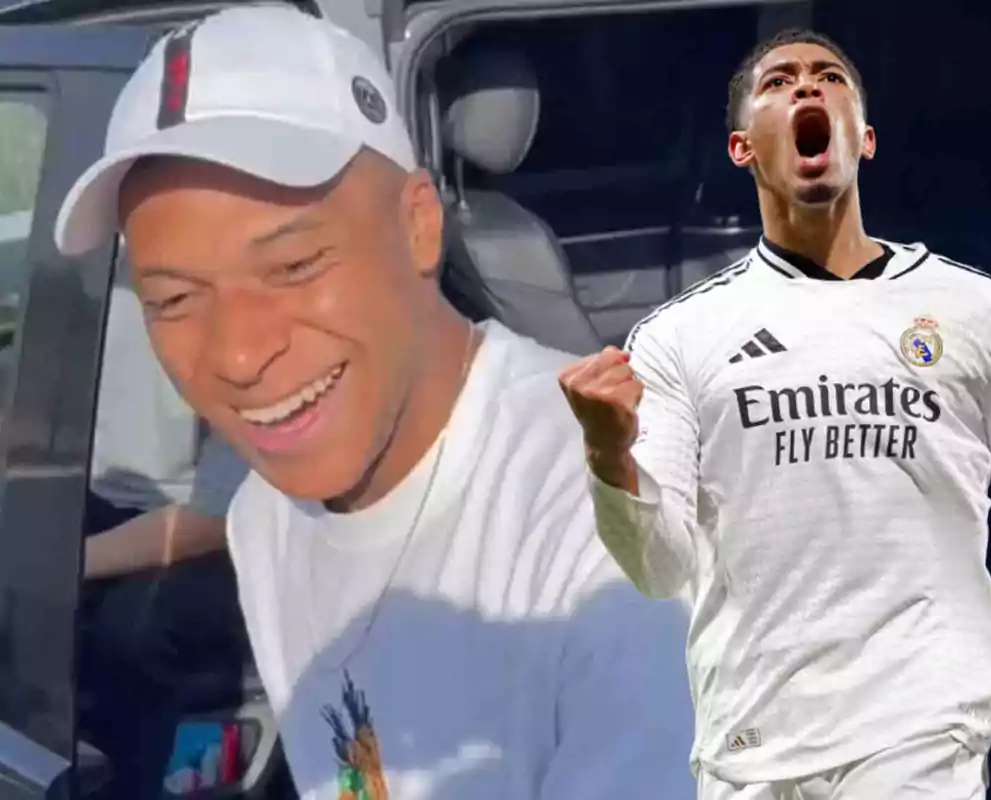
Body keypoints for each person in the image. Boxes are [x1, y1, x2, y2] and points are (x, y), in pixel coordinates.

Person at [55, 5, 694, 799]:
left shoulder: (620, 528)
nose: (241, 354)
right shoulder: (268, 520)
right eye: (177, 299)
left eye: (293, 265)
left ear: (420, 226)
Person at [558, 28, 991, 800]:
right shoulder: (678, 339)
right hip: (750, 751)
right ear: (743, 149)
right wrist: (609, 455)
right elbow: (660, 565)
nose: (806, 88)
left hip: (919, 735)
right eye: (780, 82)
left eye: (828, 77)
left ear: (862, 139)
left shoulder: (977, 313)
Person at [80, 260, 249, 799]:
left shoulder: (232, 301)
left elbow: (216, 518)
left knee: (130, 629)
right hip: (103, 492)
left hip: (210, 525)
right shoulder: (85, 254)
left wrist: (63, 562)